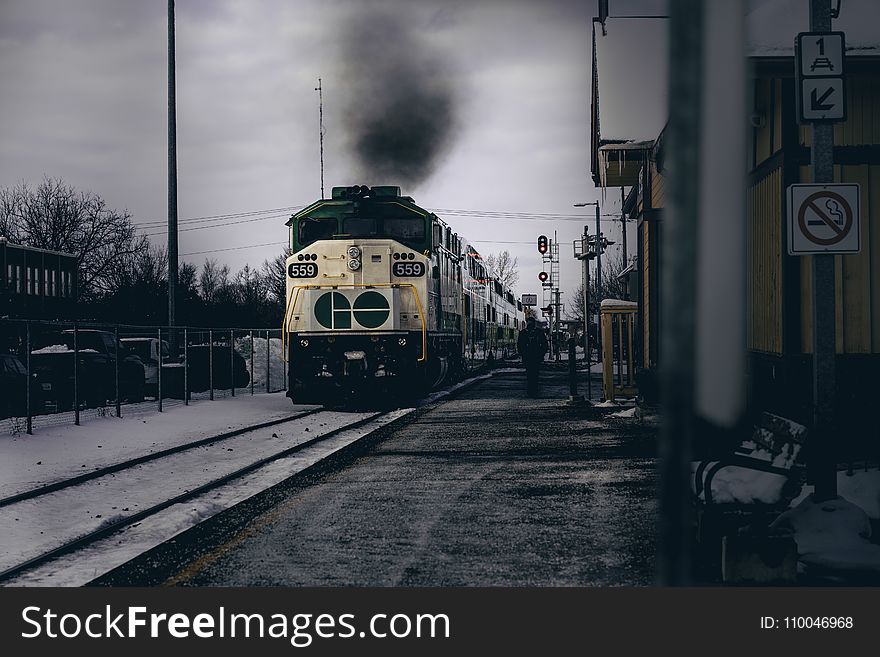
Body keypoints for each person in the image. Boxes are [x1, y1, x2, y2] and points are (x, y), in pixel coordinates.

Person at [517, 317, 548, 397]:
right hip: (532, 356)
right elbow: (544, 345)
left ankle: (532, 389)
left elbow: (519, 345)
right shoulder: (538, 332)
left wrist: (522, 353)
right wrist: (541, 354)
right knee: (533, 373)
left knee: (531, 373)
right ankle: (533, 389)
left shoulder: (523, 333)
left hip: (532, 356)